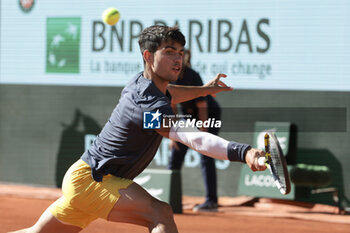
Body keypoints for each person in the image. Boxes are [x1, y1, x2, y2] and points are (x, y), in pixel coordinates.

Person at [11, 25, 266, 233]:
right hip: (95, 180)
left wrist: (205, 90)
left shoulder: (140, 82)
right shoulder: (150, 110)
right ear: (148, 55)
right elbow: (195, 139)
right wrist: (243, 152)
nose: (178, 59)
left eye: (180, 52)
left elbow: (171, 93)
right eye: (169, 52)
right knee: (160, 213)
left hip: (86, 178)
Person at [168, 50, 222, 212]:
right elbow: (172, 106)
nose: (176, 60)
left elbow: (202, 106)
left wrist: (203, 133)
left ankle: (211, 202)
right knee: (175, 154)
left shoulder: (193, 76)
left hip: (208, 114)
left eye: (179, 56)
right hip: (188, 116)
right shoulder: (169, 76)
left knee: (206, 154)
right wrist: (174, 135)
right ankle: (170, 197)